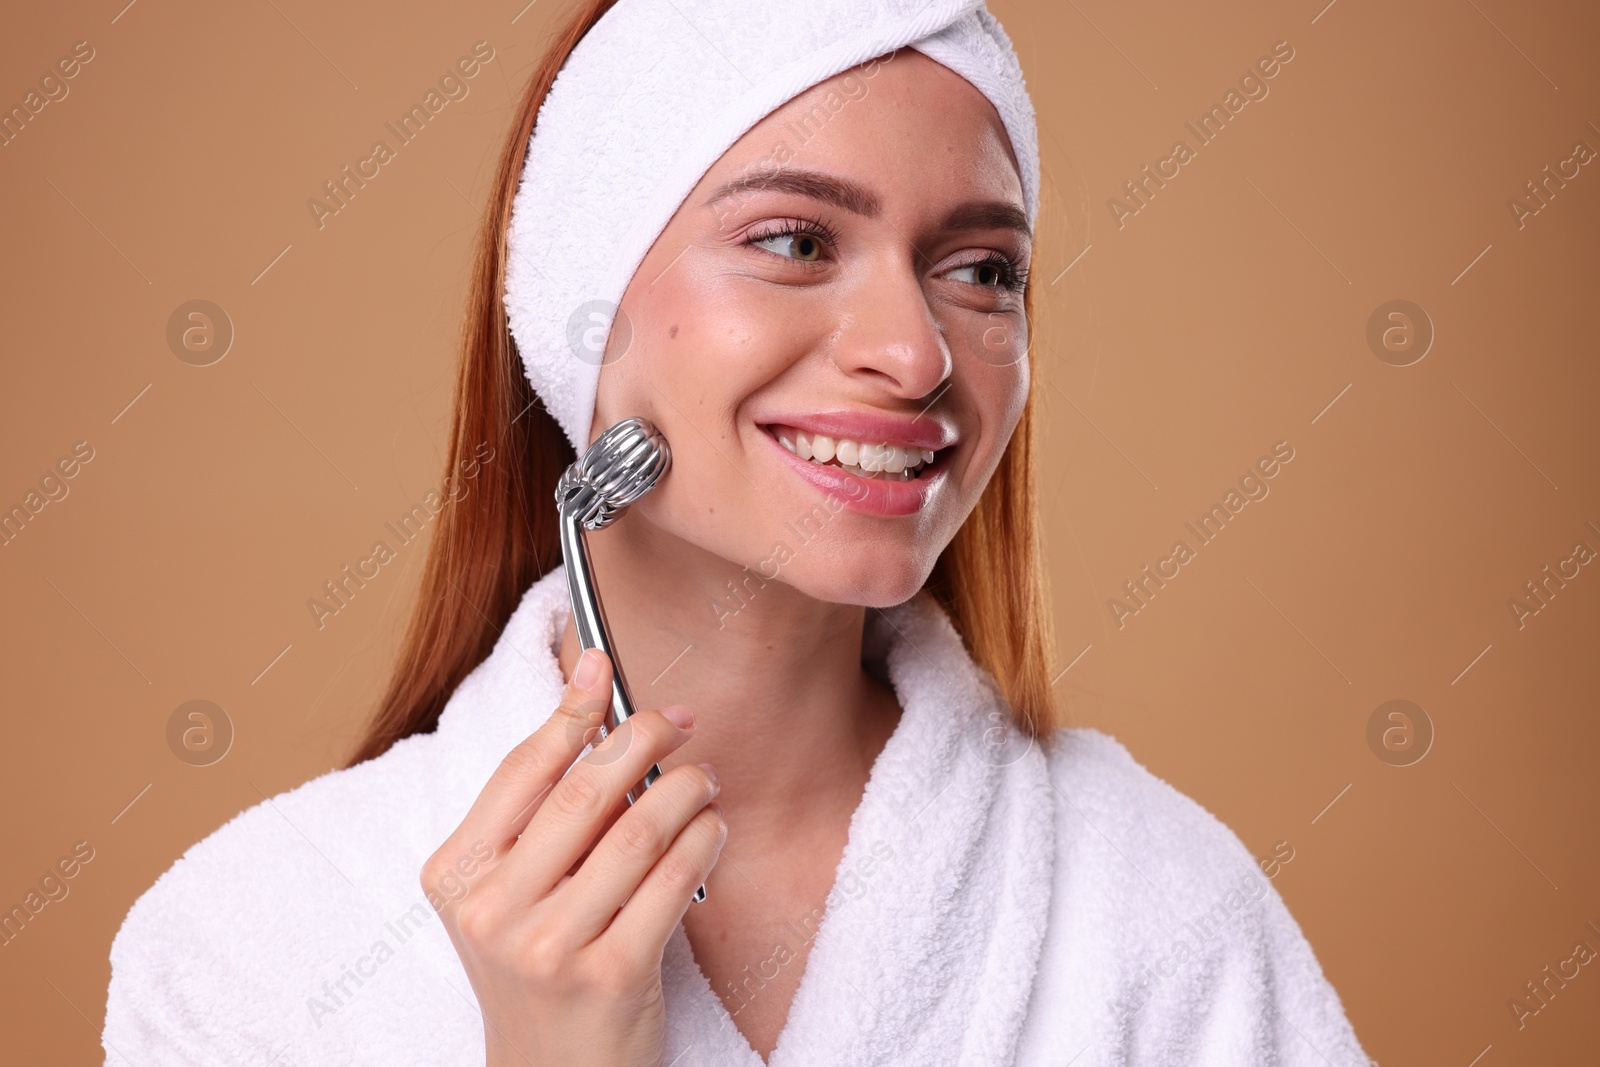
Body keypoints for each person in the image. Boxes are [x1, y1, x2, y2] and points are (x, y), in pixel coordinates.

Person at [102, 1, 1371, 1064]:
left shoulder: (1162, 906)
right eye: (796, 241)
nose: (915, 351)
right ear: (577, 313)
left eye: (980, 268)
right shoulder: (245, 949)